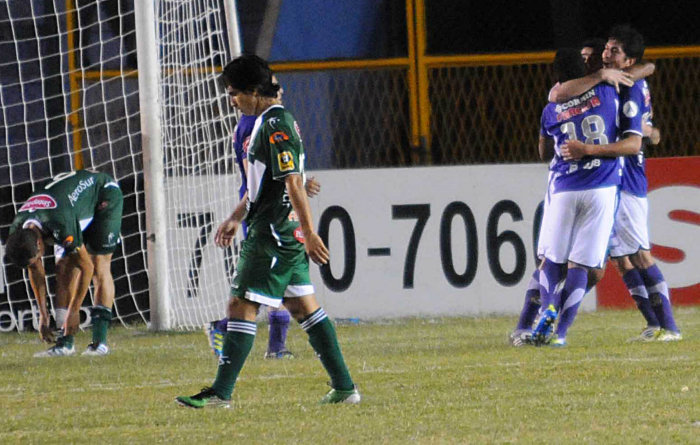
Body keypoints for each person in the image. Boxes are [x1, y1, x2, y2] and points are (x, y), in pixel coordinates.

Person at [176, 54, 359, 408]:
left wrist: (311, 231)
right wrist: (235, 215)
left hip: (273, 231)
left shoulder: (275, 124)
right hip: (278, 225)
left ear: (255, 91)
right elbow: (265, 183)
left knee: (240, 304)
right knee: (303, 307)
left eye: (234, 94)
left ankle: (220, 393)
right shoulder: (267, 120)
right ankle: (345, 387)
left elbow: (292, 182)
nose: (232, 101)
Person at [566, 25, 681, 342]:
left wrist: (589, 149)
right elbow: (648, 73)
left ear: (629, 60)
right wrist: (650, 130)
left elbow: (634, 140)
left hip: (626, 174)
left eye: (613, 51)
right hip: (612, 177)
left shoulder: (628, 86)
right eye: (607, 48)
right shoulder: (624, 79)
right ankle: (654, 324)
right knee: (622, 258)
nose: (605, 55)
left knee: (641, 255)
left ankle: (669, 327)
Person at [529, 47, 642, 347]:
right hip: (601, 188)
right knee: (581, 266)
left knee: (551, 260)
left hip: (565, 187)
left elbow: (543, 152)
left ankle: (547, 305)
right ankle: (561, 334)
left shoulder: (551, 107)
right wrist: (603, 75)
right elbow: (642, 73)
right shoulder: (606, 92)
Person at [206, 76, 321, 360]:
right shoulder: (253, 124)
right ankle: (228, 334)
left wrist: (296, 183)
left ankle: (274, 348)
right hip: (265, 213)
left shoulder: (270, 120)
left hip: (277, 210)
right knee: (269, 291)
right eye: (273, 83)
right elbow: (255, 177)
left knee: (285, 291)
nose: (280, 88)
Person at [4, 169, 123, 357]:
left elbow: (86, 267)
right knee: (63, 269)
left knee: (98, 265)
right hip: (70, 208)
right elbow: (34, 268)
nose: (37, 262)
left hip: (102, 195)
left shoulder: (59, 222)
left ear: (38, 243)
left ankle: (99, 343)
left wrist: (75, 311)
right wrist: (43, 314)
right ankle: (65, 344)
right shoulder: (18, 230)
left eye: (37, 257)